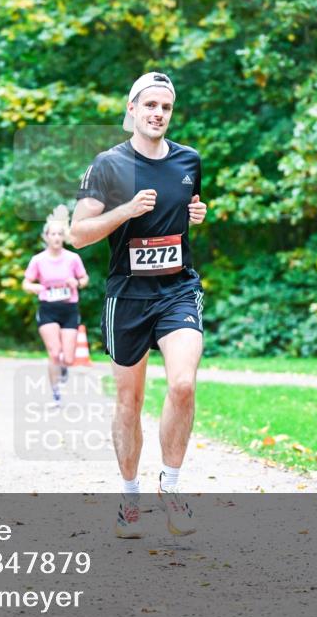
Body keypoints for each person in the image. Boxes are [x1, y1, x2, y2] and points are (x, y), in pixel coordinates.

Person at [69, 72, 207, 538]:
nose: (157, 114)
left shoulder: (189, 160)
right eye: (149, 105)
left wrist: (197, 214)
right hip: (127, 296)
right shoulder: (108, 166)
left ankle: (172, 485)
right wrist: (124, 211)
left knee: (183, 384)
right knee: (129, 401)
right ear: (131, 109)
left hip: (177, 289)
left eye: (165, 108)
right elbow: (78, 233)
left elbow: (186, 210)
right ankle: (130, 498)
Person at [22, 205, 89, 406]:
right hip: (48, 309)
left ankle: (64, 367)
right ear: (47, 237)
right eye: (53, 234)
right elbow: (26, 282)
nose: (57, 238)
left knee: (67, 357)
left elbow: (85, 278)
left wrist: (76, 283)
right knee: (54, 352)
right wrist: (34, 288)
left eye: (60, 234)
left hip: (69, 308)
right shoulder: (38, 260)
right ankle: (55, 393)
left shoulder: (73, 258)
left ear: (64, 236)